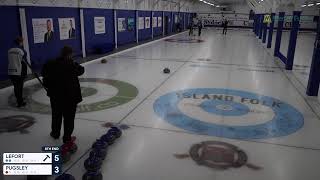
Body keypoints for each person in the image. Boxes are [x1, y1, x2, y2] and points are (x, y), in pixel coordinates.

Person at [41, 46, 84, 143]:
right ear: (70, 54)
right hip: (71, 97)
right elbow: (81, 70)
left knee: (56, 115)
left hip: (56, 96)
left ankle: (55, 133)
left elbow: (43, 73)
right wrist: (74, 62)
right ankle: (67, 137)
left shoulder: (51, 63)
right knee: (69, 118)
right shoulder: (72, 65)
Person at [8, 37, 28, 107]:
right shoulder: (22, 51)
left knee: (15, 86)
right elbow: (24, 62)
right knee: (19, 87)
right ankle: (20, 102)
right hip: (19, 72)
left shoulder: (9, 50)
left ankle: (19, 99)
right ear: (20, 42)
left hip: (11, 71)